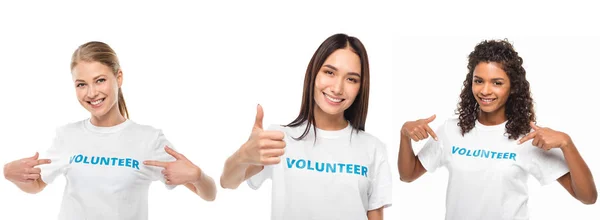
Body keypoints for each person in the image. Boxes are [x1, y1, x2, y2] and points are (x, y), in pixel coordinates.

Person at [3, 41, 217, 219]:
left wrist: (198, 176)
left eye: (100, 80)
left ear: (119, 78)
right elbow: (37, 185)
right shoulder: (67, 136)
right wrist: (11, 175)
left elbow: (209, 194)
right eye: (81, 84)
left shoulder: (148, 139)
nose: (91, 92)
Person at [397, 39, 597, 220]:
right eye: (479, 81)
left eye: (497, 83)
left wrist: (567, 143)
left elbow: (588, 197)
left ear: (513, 87)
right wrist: (404, 136)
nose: (485, 90)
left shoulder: (529, 138)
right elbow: (408, 175)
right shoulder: (451, 131)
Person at [220, 33, 392, 220]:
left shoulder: (373, 148)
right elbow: (227, 182)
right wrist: (243, 155)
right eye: (329, 72)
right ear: (314, 73)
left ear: (361, 87)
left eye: (351, 79)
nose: (337, 88)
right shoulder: (279, 138)